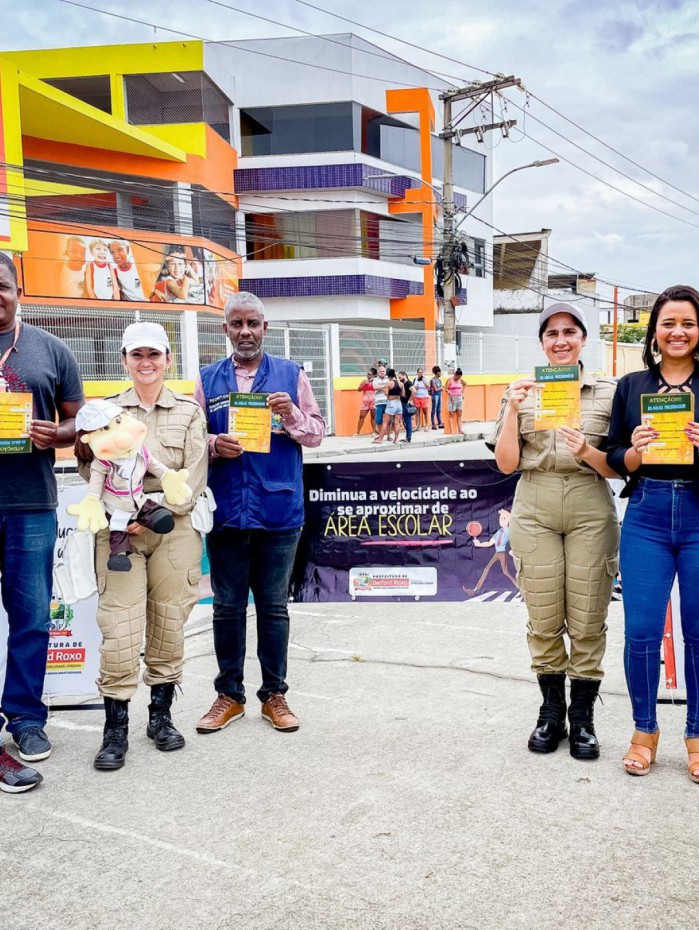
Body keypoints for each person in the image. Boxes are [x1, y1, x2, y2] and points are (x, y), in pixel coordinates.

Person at [490, 303, 619, 761]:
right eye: (552, 333)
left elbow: (620, 466)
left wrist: (587, 451)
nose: (561, 341)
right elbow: (506, 463)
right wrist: (512, 409)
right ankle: (551, 713)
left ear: (583, 338)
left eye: (570, 332)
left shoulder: (609, 392)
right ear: (542, 342)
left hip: (589, 502)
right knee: (543, 615)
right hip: (535, 503)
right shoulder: (521, 390)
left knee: (587, 615)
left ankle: (582, 718)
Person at [77, 322, 208, 771]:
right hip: (118, 531)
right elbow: (90, 467)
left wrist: (151, 509)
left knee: (169, 623)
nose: (146, 362)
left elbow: (193, 474)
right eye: (137, 355)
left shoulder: (188, 412)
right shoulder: (107, 411)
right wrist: (120, 508)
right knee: (120, 626)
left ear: (168, 359)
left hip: (173, 527)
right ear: (124, 360)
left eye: (154, 354)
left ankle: (160, 717)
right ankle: (115, 729)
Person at [195, 292, 325, 734]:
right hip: (227, 509)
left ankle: (274, 695)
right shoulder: (207, 379)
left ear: (265, 328)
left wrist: (292, 415)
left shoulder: (291, 375)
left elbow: (317, 433)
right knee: (226, 607)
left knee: (273, 608)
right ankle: (229, 696)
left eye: (253, 323)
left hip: (278, 511)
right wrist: (214, 444)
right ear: (226, 329)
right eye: (237, 324)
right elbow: (191, 439)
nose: (245, 331)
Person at [607, 285, 699, 780]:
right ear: (654, 332)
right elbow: (613, 455)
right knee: (641, 630)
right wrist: (634, 452)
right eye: (668, 323)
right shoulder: (632, 385)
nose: (677, 332)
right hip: (646, 512)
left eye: (687, 323)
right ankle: (644, 732)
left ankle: (697, 735)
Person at [0, 252, 84, 792]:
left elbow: (81, 420)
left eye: (1, 285)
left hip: (30, 503)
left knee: (31, 617)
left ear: (17, 290)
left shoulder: (51, 349)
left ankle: (26, 718)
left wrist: (59, 435)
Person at [463, 509, 517, 596]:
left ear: (509, 520)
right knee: (486, 569)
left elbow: (515, 540)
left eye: (504, 518)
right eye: (500, 518)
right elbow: (489, 543)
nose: (501, 520)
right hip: (497, 553)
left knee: (506, 572)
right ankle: (475, 590)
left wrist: (513, 550)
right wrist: (479, 544)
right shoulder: (498, 532)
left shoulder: (510, 531)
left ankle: (520, 588)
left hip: (503, 553)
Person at [372, 368, 403, 445]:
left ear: (389, 376)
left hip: (391, 403)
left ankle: (380, 439)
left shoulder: (389, 383)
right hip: (399, 403)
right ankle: (395, 440)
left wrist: (385, 388)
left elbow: (386, 393)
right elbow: (403, 394)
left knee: (385, 422)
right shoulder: (400, 384)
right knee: (397, 422)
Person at [354, 367, 377, 436]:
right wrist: (364, 384)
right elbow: (359, 389)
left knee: (373, 416)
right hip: (365, 401)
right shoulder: (364, 381)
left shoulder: (376, 382)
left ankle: (374, 431)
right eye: (367, 374)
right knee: (361, 416)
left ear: (373, 375)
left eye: (369, 374)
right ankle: (357, 432)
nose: (368, 376)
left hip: (373, 401)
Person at [446, 368, 466, 433]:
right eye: (458, 377)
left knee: (459, 414)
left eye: (460, 377)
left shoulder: (460, 380)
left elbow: (465, 384)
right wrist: (449, 392)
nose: (458, 378)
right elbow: (446, 388)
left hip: (459, 398)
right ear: (455, 375)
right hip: (452, 398)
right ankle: (451, 431)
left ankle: (460, 430)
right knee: (451, 414)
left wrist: (462, 392)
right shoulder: (450, 380)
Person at [398, 371, 415, 443]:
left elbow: (414, 391)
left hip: (406, 404)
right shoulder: (404, 384)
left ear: (404, 375)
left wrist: (410, 400)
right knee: (406, 421)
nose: (399, 379)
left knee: (408, 421)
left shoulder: (408, 383)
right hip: (403, 403)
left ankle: (408, 438)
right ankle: (407, 437)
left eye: (400, 377)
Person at [372, 364, 389, 436]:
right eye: (380, 371)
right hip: (378, 403)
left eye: (383, 371)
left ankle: (388, 435)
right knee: (378, 420)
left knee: (389, 420)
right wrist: (385, 386)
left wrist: (380, 387)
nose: (382, 372)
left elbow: (390, 387)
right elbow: (375, 388)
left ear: (385, 372)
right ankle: (380, 434)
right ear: (378, 372)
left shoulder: (388, 379)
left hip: (387, 402)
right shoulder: (375, 379)